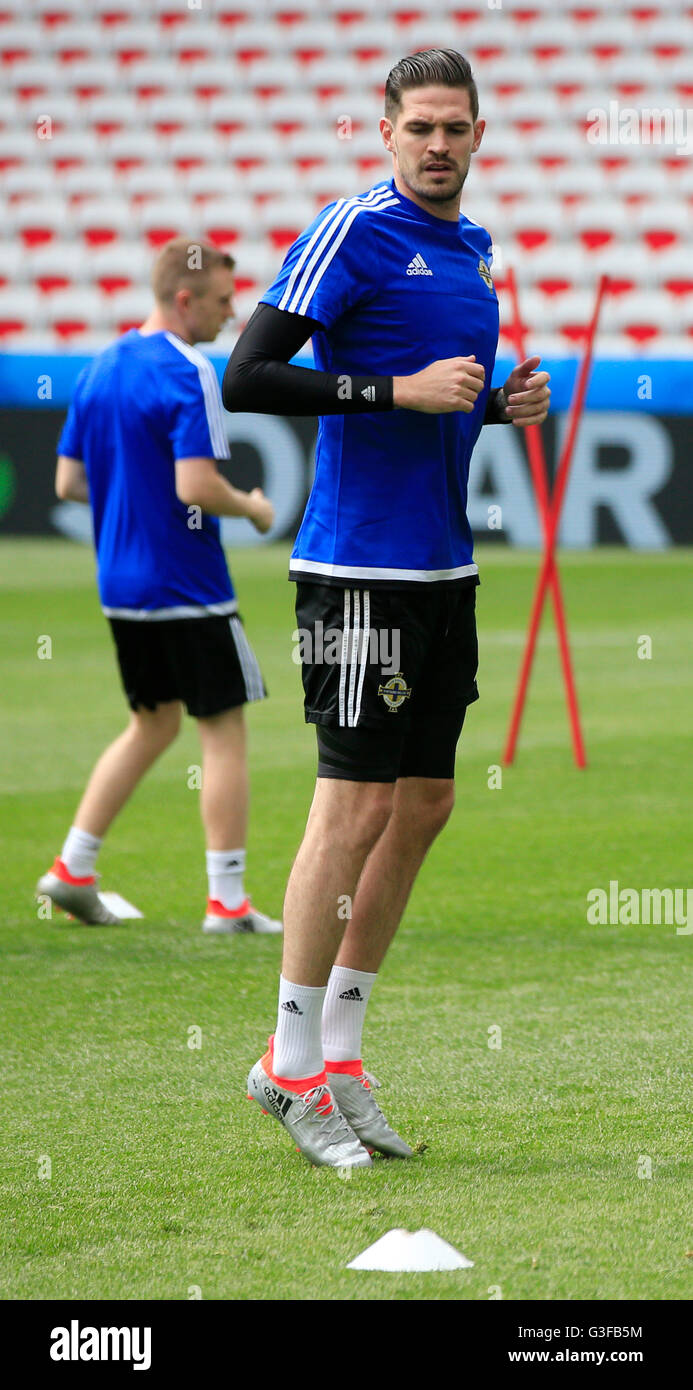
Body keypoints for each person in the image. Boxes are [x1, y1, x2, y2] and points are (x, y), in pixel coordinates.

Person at [224, 49, 551, 1167]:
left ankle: (345, 1055)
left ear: (479, 133)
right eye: (419, 126)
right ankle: (287, 1061)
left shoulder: (474, 250)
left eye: (455, 127)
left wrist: (500, 409)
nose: (438, 145)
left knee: (425, 804)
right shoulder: (350, 228)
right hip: (358, 569)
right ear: (385, 131)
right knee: (350, 812)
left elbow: (438, 407)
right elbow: (249, 375)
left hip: (442, 569)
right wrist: (392, 390)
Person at [37, 237, 281, 936]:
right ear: (185, 299)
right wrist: (255, 507)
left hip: (121, 582)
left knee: (152, 722)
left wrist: (130, 507)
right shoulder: (189, 370)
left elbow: (68, 482)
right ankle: (227, 901)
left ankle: (74, 868)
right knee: (224, 729)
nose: (232, 315)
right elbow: (195, 486)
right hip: (188, 581)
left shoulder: (101, 366)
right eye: (224, 301)